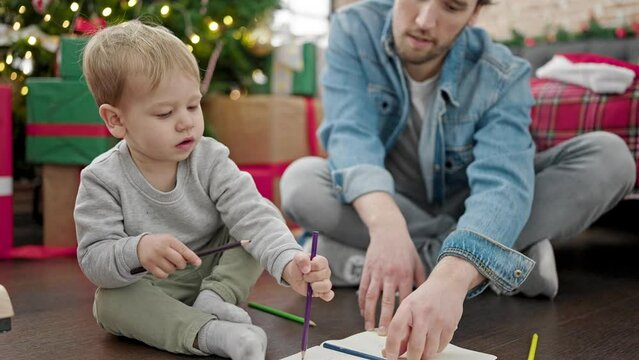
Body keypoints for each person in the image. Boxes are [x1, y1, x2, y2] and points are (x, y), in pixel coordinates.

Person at [280, 0, 636, 359]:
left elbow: (503, 182)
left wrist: (452, 277)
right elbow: (351, 136)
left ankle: (436, 262)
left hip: (474, 207)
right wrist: (387, 228)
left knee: (611, 157)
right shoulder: (352, 29)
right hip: (393, 204)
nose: (424, 21)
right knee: (300, 181)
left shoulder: (503, 72)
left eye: (451, 6)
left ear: (475, 13)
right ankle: (501, 264)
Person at [74, 20, 334, 359]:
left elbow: (253, 214)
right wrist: (136, 250)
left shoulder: (209, 157)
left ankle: (215, 300)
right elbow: (94, 258)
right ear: (116, 121)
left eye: (193, 105)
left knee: (253, 224)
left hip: (216, 272)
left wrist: (289, 263)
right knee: (109, 303)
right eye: (165, 113)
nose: (185, 122)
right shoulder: (101, 179)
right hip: (153, 287)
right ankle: (207, 333)